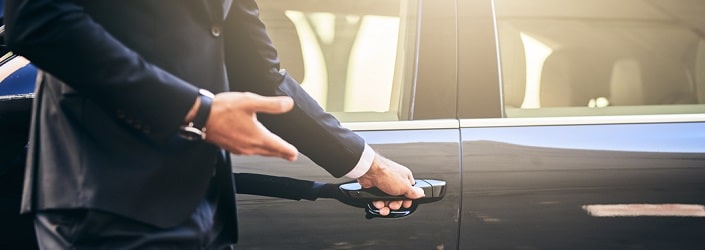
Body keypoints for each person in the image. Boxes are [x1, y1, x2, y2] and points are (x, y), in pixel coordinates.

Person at [3, 0, 424, 248]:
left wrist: (366, 163)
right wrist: (195, 109)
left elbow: (259, 73)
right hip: (102, 195)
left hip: (205, 209)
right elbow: (40, 20)